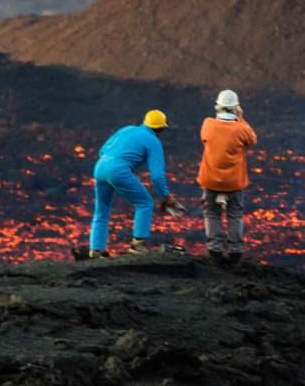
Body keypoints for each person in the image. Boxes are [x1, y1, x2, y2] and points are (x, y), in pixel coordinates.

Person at [87, 109, 183, 259]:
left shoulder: (127, 129)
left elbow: (102, 150)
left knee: (101, 210)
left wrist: (123, 167)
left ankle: (95, 250)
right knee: (144, 203)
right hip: (118, 170)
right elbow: (157, 176)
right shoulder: (153, 141)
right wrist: (167, 197)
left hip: (100, 167)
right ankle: (138, 246)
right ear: (161, 129)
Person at [197, 89, 257, 265]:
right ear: (235, 108)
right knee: (235, 215)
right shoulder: (241, 128)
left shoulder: (208, 124)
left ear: (218, 106)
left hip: (210, 179)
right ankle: (235, 253)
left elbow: (204, 139)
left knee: (211, 213)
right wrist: (241, 118)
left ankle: (214, 250)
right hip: (233, 183)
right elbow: (252, 140)